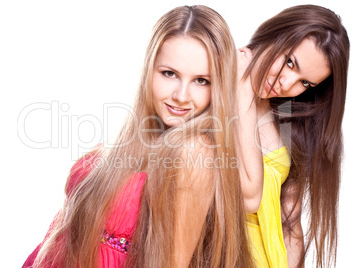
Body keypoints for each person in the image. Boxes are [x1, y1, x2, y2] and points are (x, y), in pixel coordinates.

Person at [23, 5, 253, 268]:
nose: (181, 95)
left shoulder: (195, 151)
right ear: (149, 69)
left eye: (202, 80)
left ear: (220, 86)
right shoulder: (137, 141)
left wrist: (245, 91)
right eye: (169, 74)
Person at [236, 4, 350, 267]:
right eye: (289, 62)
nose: (286, 84)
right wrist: (242, 96)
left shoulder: (292, 121)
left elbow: (290, 224)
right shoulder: (204, 82)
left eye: (305, 83)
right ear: (273, 33)